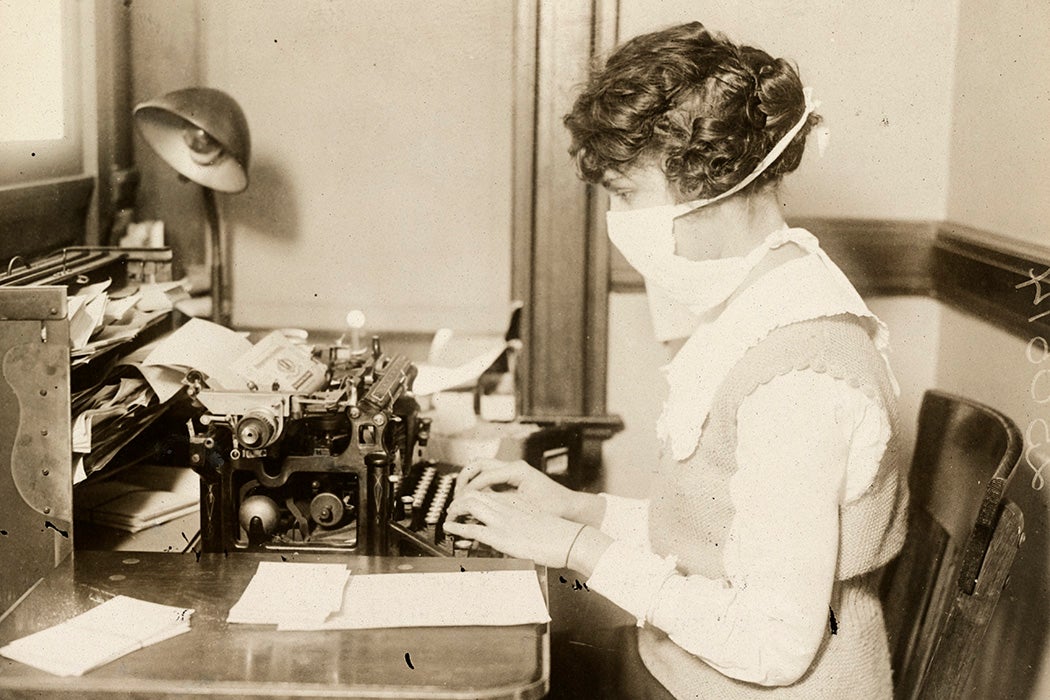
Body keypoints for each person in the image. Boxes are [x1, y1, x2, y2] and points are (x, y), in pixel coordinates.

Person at [443, 21, 907, 699]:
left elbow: (770, 644)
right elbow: (725, 536)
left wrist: (578, 552)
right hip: (687, 674)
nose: (616, 218)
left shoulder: (800, 374)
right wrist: (583, 511)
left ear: (707, 186)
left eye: (626, 195)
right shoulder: (758, 307)